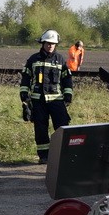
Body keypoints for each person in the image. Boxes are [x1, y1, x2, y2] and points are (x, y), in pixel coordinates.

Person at [19, 29, 74, 164]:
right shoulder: (33, 59)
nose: (50, 46)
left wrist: (68, 94)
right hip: (38, 101)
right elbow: (26, 77)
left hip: (56, 100)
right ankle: (44, 156)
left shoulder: (60, 60)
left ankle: (62, 155)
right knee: (40, 129)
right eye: (48, 43)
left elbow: (67, 79)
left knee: (62, 127)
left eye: (53, 44)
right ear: (43, 43)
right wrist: (24, 93)